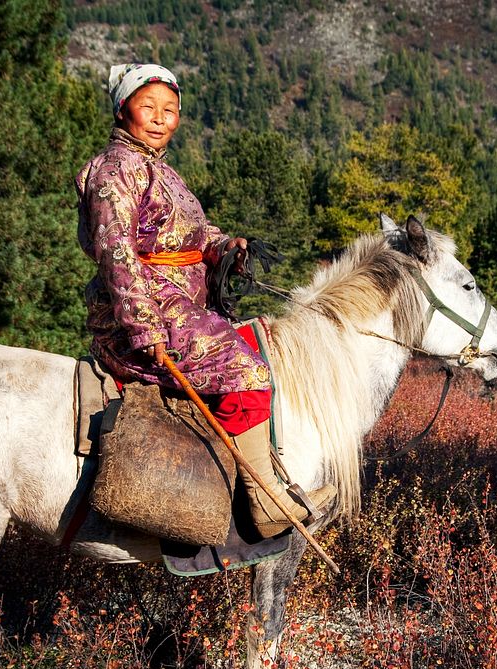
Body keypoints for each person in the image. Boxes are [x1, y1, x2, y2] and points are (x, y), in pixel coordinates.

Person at [75, 63, 334, 538]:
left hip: (181, 303)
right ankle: (265, 502)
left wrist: (225, 247)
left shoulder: (160, 170)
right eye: (147, 106)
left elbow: (193, 236)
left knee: (255, 345)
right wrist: (143, 327)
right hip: (146, 310)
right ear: (122, 109)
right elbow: (117, 254)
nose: (159, 118)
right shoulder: (116, 170)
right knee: (247, 369)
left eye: (169, 110)